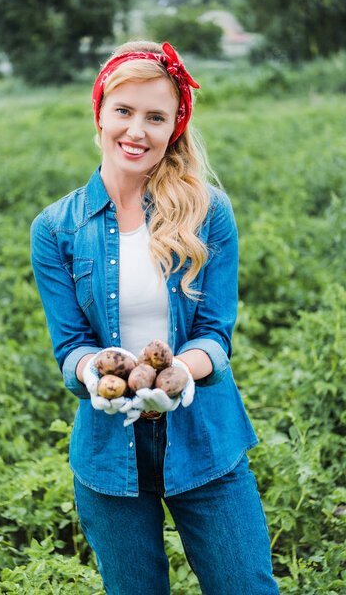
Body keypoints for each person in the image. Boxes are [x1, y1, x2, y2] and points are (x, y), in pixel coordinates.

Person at [30, 40, 280, 595]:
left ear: (174, 128)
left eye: (155, 117)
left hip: (207, 439)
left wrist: (182, 374)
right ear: (98, 114)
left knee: (247, 586)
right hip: (108, 455)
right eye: (124, 111)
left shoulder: (208, 211)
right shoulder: (56, 228)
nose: (136, 131)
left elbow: (216, 334)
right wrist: (94, 372)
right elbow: (69, 346)